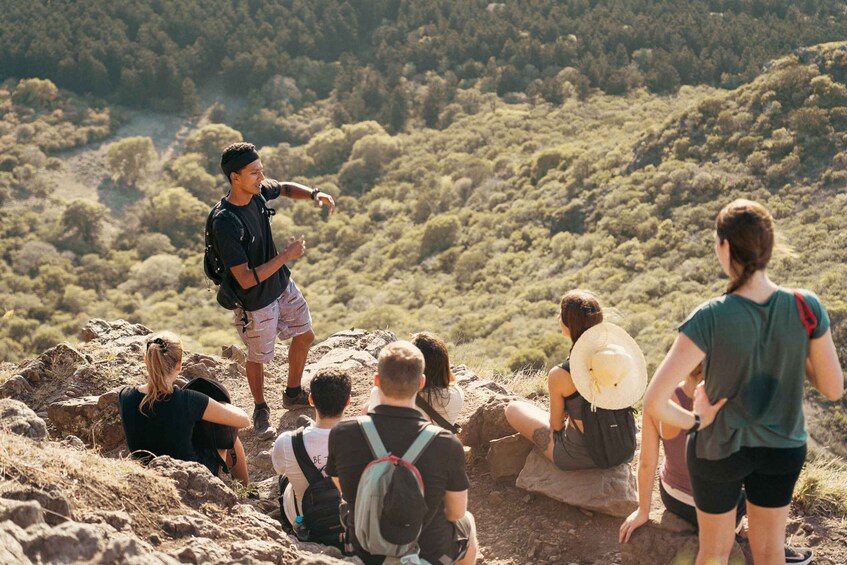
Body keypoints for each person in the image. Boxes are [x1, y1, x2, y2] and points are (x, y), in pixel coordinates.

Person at [643, 199, 843, 565]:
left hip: (717, 449)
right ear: (769, 245)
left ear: (724, 246)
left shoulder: (710, 317)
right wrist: (794, 352)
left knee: (714, 554)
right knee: (770, 554)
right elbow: (833, 389)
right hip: (782, 448)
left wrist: (697, 419)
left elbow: (653, 401)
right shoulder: (806, 307)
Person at [212, 142, 336, 440]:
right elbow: (244, 279)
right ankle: (260, 408)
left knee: (305, 335)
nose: (261, 177)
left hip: (281, 285)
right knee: (258, 357)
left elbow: (284, 188)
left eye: (261, 171)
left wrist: (315, 194)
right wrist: (286, 256)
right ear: (234, 178)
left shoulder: (256, 193)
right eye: (254, 172)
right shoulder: (225, 222)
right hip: (255, 301)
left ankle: (292, 393)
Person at [327, 341, 478, 565]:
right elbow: (455, 513)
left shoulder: (343, 433)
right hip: (426, 554)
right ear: (421, 382)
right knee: (467, 521)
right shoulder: (446, 444)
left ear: (376, 381)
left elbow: (343, 488)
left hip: (365, 552)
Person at [505, 290, 646, 470]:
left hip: (577, 457)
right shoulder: (617, 361)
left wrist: (566, 412)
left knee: (513, 409)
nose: (558, 317)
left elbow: (555, 425)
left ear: (569, 324)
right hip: (621, 450)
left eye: (561, 314)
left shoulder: (561, 374)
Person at [619, 363, 747, 541]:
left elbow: (647, 463)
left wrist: (643, 510)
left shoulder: (658, 401)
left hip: (673, 498)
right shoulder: (726, 403)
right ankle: (742, 531)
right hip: (715, 506)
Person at [118, 331, 251, 486]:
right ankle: (246, 491)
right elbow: (244, 421)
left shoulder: (125, 396)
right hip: (189, 478)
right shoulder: (188, 400)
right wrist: (220, 403)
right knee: (229, 434)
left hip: (147, 477)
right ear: (179, 365)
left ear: (146, 360)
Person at [272, 368, 351, 528]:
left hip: (306, 522)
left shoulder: (287, 441)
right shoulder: (361, 438)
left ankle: (311, 429)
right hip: (350, 522)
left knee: (284, 476)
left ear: (311, 400)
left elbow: (278, 469)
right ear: (348, 401)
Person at [365, 332, 464, 427]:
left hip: (394, 442)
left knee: (366, 408)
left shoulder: (383, 394)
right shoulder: (457, 395)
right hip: (436, 443)